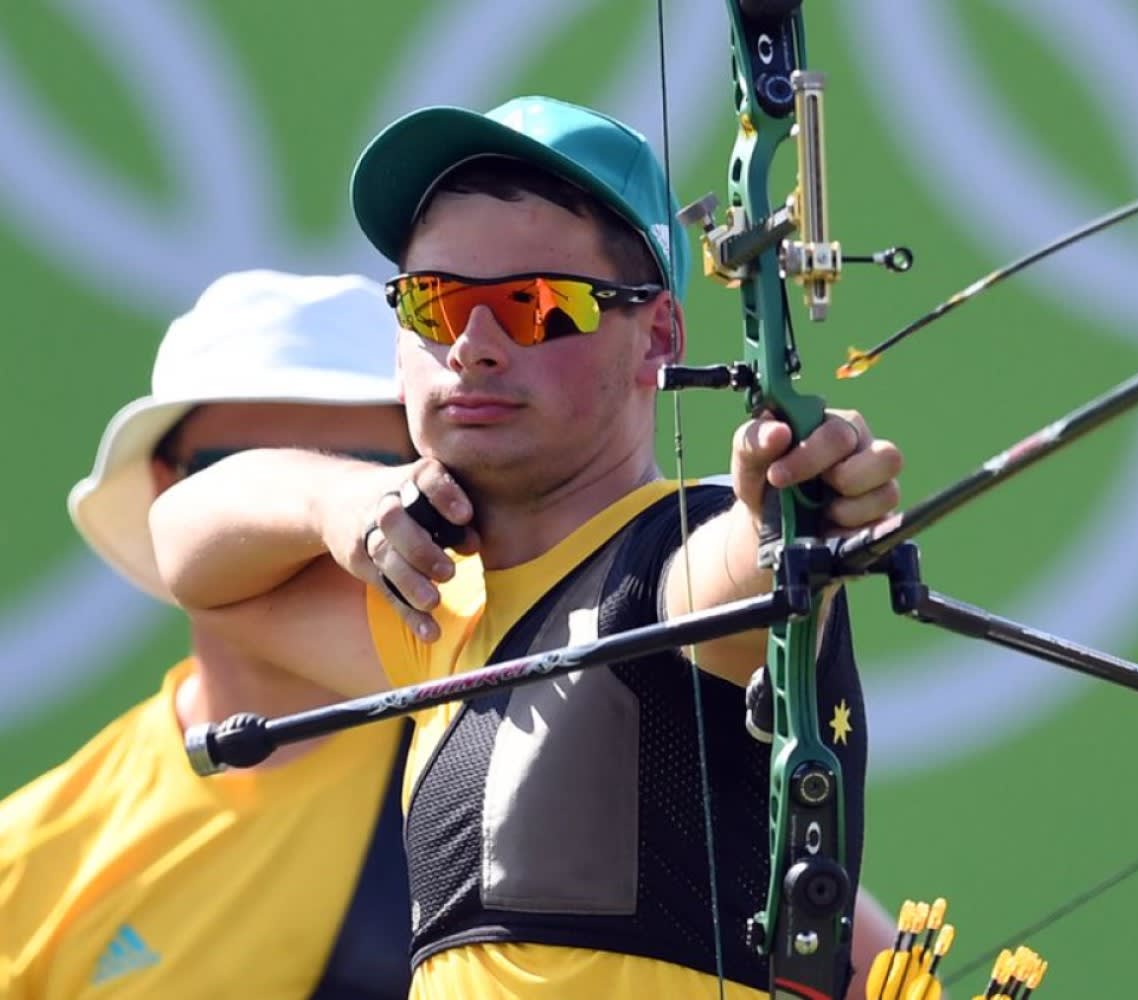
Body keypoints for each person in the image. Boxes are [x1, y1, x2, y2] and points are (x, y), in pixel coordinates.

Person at [152, 97, 904, 999]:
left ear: (659, 337)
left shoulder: (673, 571)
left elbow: (753, 558)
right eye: (434, 303)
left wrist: (802, 500)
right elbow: (192, 562)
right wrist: (340, 500)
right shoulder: (439, 609)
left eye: (535, 306)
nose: (472, 347)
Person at [0, 271, 416, 998]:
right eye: (240, 484)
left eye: (358, 479)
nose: (300, 526)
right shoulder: (27, 865)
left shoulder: (532, 754)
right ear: (168, 492)